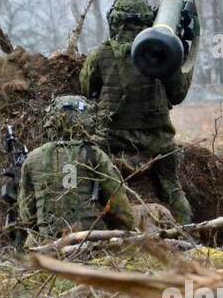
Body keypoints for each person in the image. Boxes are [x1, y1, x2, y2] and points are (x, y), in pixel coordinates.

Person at [80, 0, 193, 222]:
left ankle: (92, 226)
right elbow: (178, 94)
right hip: (157, 141)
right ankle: (188, 231)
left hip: (110, 140)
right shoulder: (162, 52)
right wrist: (183, 56)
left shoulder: (101, 53)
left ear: (115, 22)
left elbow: (85, 88)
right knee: (172, 189)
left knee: (90, 183)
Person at [18, 95, 135, 240]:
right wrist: (135, 231)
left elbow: (26, 214)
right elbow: (119, 205)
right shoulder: (94, 154)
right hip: (90, 238)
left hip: (48, 240)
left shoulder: (32, 158)